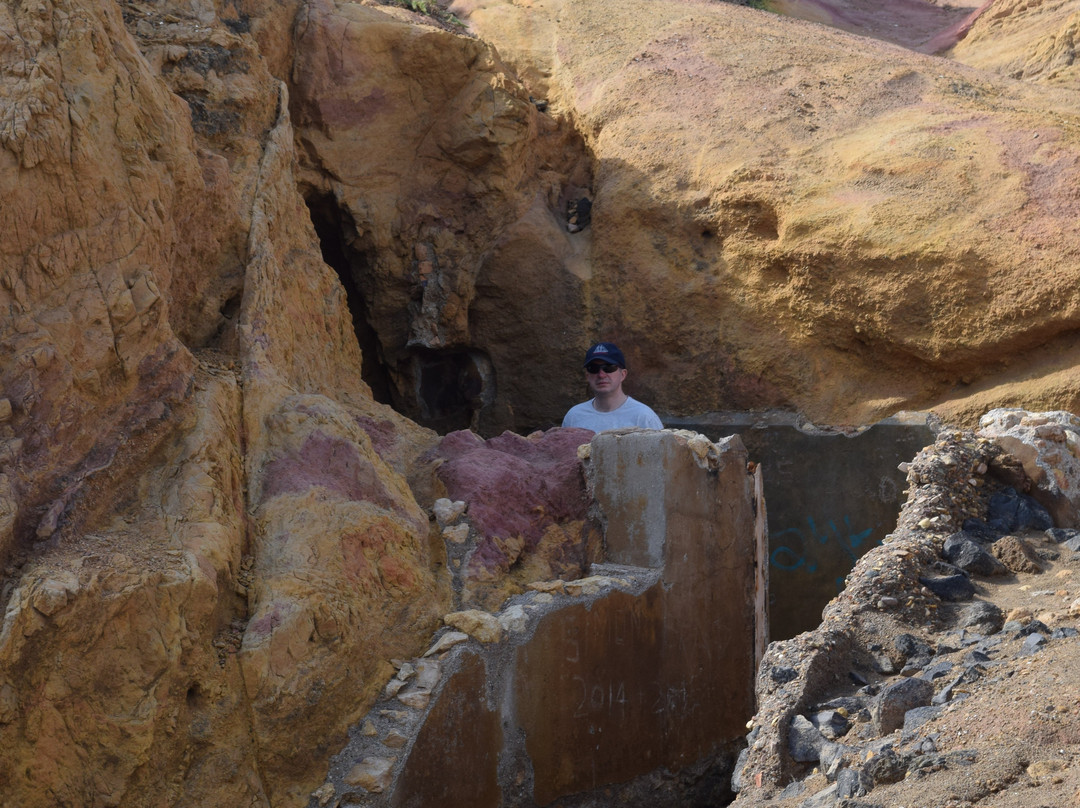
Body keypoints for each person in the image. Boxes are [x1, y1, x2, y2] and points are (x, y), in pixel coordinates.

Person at [562, 342, 664, 432]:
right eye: (594, 368)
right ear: (587, 376)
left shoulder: (643, 417)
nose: (601, 375)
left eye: (608, 368)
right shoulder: (574, 416)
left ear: (623, 374)